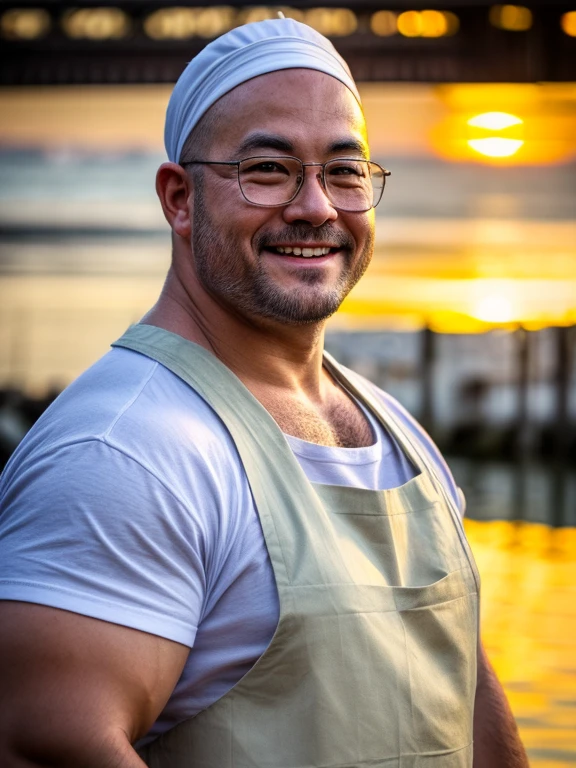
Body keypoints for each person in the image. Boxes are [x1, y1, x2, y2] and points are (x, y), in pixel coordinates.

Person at [0, 17, 528, 768]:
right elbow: (40, 743)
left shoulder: (398, 434)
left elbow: (469, 700)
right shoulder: (125, 452)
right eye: (269, 170)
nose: (317, 207)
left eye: (345, 171)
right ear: (180, 199)